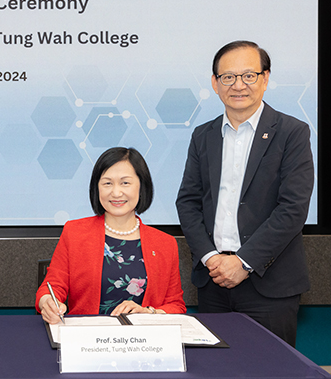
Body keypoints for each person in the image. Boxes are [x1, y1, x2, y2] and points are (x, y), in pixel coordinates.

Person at [176, 40, 314, 347]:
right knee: (216, 374)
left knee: (271, 373)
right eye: (228, 77)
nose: (238, 85)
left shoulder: (292, 133)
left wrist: (243, 262)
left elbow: (292, 209)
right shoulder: (203, 135)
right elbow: (188, 202)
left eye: (249, 76)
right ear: (215, 83)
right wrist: (211, 258)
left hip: (269, 284)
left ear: (265, 79)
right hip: (213, 282)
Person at [36, 147, 186, 323]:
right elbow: (51, 287)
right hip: (87, 339)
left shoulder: (164, 243)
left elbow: (176, 305)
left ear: (142, 186)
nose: (116, 193)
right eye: (107, 183)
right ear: (96, 188)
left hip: (143, 341)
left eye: (125, 183)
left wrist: (148, 312)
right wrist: (48, 303)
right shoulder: (75, 232)